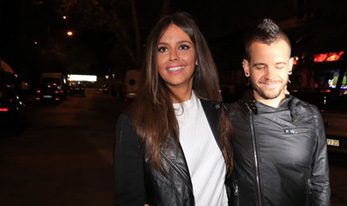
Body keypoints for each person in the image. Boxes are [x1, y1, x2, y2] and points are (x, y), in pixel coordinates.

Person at [114, 12, 232, 206]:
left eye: (183, 47)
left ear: (197, 57)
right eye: (162, 49)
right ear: (154, 60)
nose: (173, 56)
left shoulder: (221, 114)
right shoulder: (133, 122)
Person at [228, 18, 330, 206]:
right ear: (246, 68)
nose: (270, 75)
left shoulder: (310, 116)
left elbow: (320, 183)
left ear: (290, 66)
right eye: (260, 66)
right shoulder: (229, 117)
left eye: (279, 66)